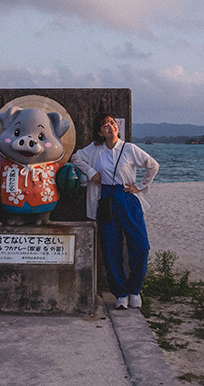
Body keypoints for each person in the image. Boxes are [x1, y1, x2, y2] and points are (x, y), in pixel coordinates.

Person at [70, 113, 160, 309]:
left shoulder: (129, 148)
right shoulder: (94, 150)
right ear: (100, 132)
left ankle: (135, 289)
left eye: (112, 123)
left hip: (127, 197)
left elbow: (152, 165)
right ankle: (120, 293)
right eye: (105, 125)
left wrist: (141, 187)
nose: (110, 126)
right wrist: (92, 172)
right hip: (105, 199)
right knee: (111, 249)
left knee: (141, 246)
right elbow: (75, 157)